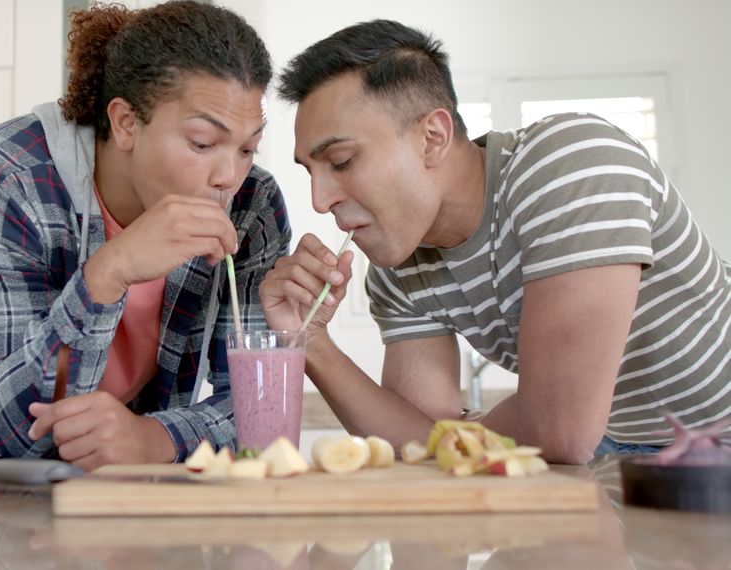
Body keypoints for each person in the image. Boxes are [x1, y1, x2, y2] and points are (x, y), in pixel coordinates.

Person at [262, 19, 731, 464]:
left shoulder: (571, 166)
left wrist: (455, 437)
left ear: (432, 137)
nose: (320, 201)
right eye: (311, 171)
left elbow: (558, 430)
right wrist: (308, 340)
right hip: (629, 454)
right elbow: (419, 447)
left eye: (341, 161)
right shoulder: (398, 267)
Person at [0, 1, 290, 470]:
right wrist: (107, 273)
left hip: (117, 475)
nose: (230, 175)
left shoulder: (251, 206)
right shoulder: (6, 178)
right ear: (125, 123)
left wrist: (152, 437)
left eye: (248, 147)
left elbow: (260, 415)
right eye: (202, 143)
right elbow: (9, 430)